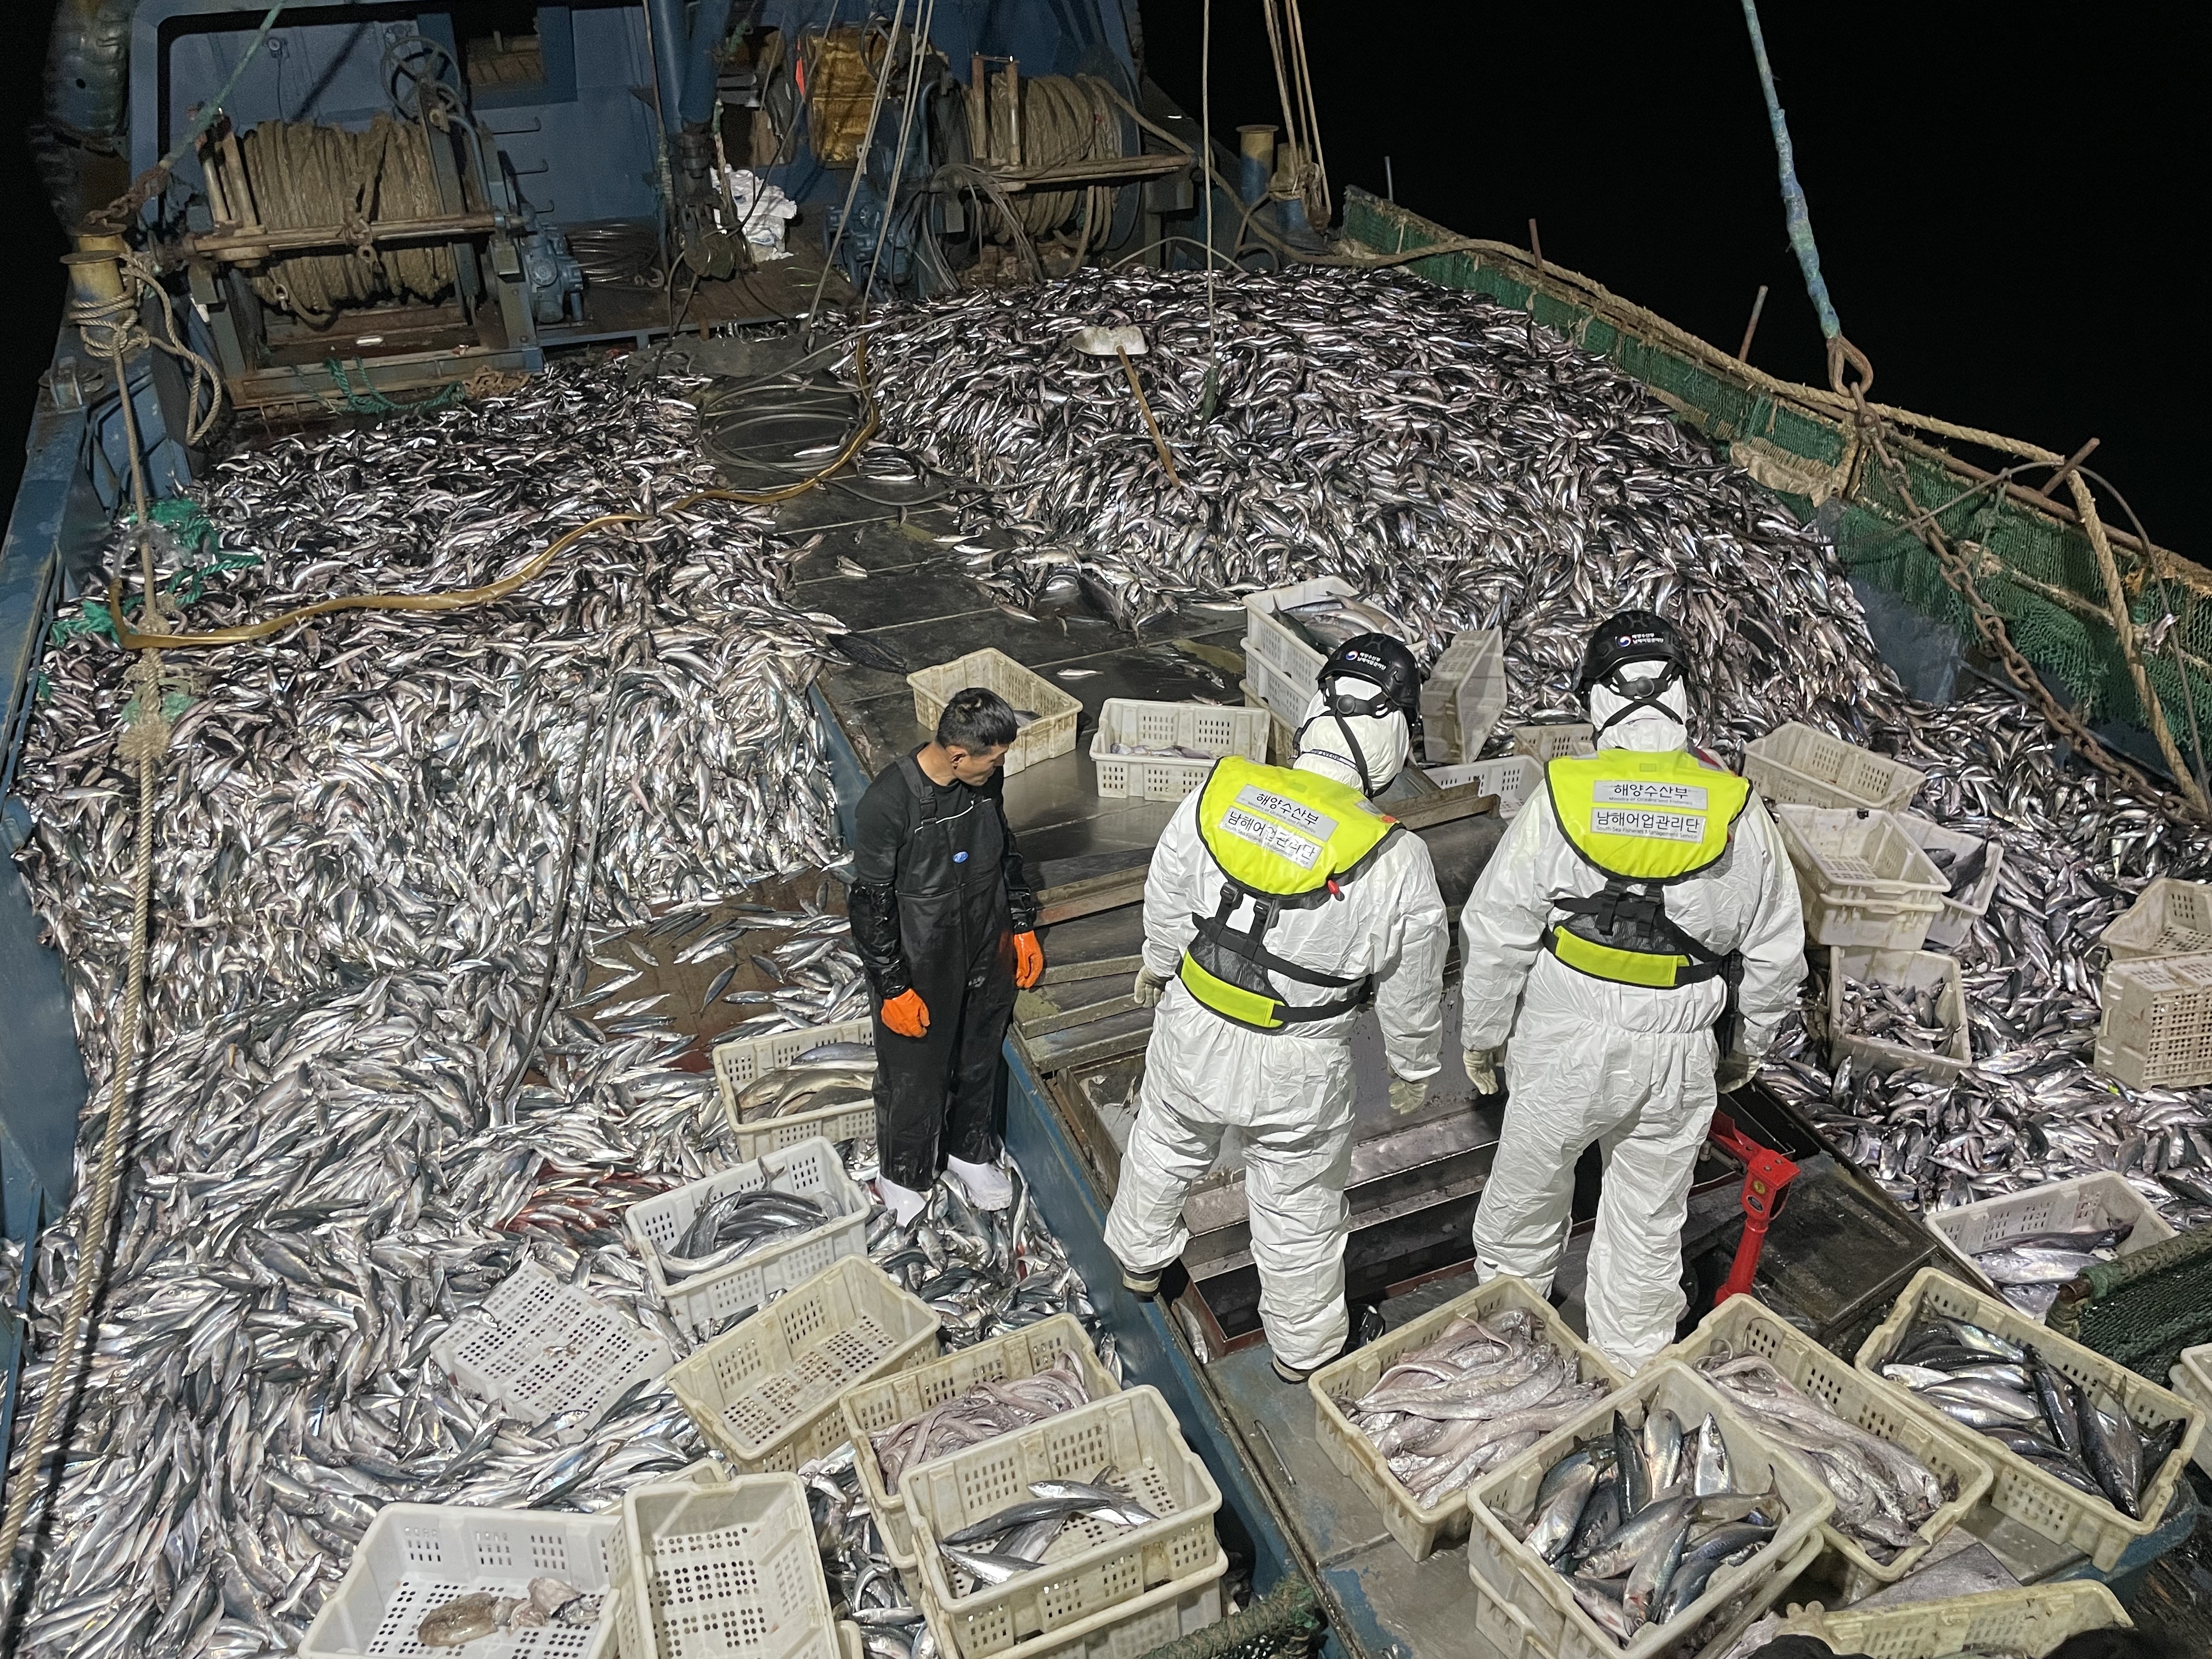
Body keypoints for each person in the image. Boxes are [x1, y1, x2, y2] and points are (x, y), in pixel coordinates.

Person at [1459, 610, 1805, 1372]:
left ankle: (1502, 1360)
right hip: (1680, 1046)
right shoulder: (1739, 810)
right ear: (1684, 699)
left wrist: (1484, 1034)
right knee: (1647, 1223)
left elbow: (1496, 930)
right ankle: (1632, 1375)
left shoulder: (1563, 796)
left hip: (1564, 1033)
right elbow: (1778, 959)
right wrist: (1744, 1049)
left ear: (1598, 704)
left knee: (1526, 1199)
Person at [1104, 635, 1449, 1383]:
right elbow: (1413, 978)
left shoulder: (1222, 795)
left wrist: (1158, 965)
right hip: (1298, 1061)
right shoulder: (1394, 857)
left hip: (1193, 1021)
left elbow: (1166, 890)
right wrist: (1414, 1063)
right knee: (1296, 1207)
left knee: (1163, 1144)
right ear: (1393, 739)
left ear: (1313, 714)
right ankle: (1304, 1353)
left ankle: (1137, 1262)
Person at [849, 687, 1046, 1224]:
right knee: (915, 1070)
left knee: (978, 1054)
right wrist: (892, 985)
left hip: (986, 935)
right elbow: (870, 900)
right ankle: (903, 1173)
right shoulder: (889, 803)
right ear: (959, 755)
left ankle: (967, 1151)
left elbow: (1004, 848)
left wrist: (1022, 925)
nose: (1001, 766)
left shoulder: (984, 781)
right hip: (921, 951)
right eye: (995, 758)